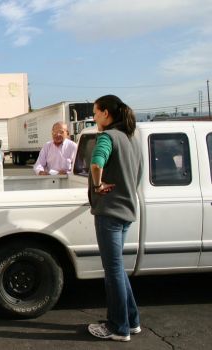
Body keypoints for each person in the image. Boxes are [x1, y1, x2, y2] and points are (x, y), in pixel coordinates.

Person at [87, 95, 142, 342]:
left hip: (109, 213)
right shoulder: (132, 139)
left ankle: (118, 327)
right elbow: (136, 175)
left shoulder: (107, 137)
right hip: (127, 211)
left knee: (113, 271)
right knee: (118, 268)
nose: (94, 117)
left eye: (96, 113)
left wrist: (98, 187)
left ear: (106, 113)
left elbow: (96, 164)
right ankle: (132, 321)